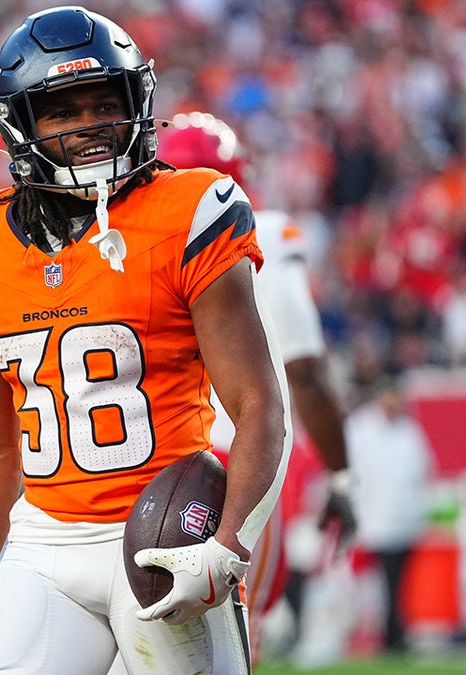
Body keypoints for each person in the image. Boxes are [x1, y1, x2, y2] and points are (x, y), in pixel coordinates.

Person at [0, 7, 291, 674]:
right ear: (19, 126)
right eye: (63, 112)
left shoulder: (189, 210)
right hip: (44, 541)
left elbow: (260, 405)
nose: (92, 125)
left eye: (106, 104)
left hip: (164, 532)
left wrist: (226, 547)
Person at [156, 112, 357, 655]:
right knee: (235, 642)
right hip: (235, 461)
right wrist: (342, 477)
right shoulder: (259, 230)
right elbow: (304, 368)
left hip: (152, 463)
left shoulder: (129, 241)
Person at [344, 375, 434, 653]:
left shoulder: (409, 431)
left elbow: (422, 471)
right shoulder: (361, 429)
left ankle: (395, 632)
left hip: (404, 520)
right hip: (374, 520)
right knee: (376, 584)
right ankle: (382, 633)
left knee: (397, 583)